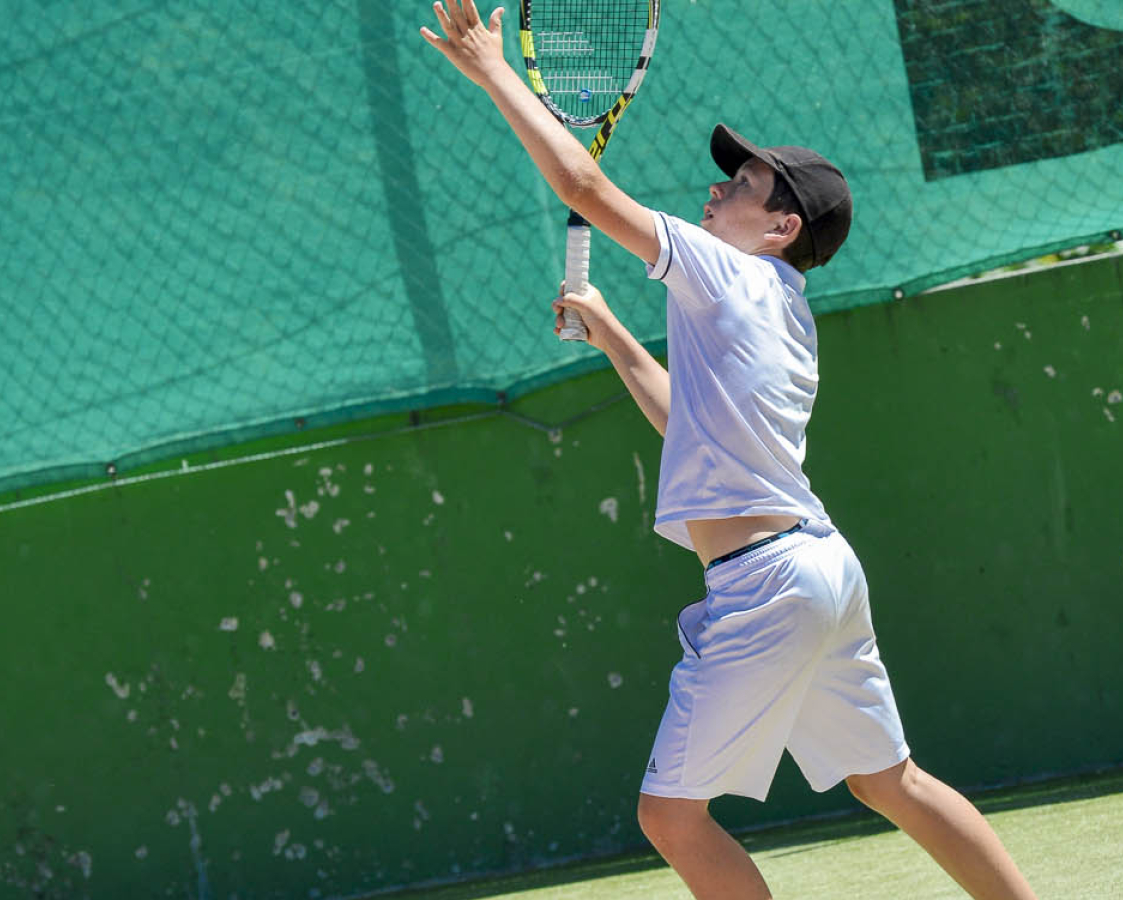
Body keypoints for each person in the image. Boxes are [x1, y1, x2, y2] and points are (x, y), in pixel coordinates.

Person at [422, 3, 1038, 897]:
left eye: (741, 185)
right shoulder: (780, 308)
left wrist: (493, 72)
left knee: (670, 816)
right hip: (822, 568)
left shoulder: (724, 272)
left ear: (782, 226)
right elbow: (694, 428)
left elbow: (588, 194)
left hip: (768, 586)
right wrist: (615, 339)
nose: (715, 191)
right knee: (888, 780)